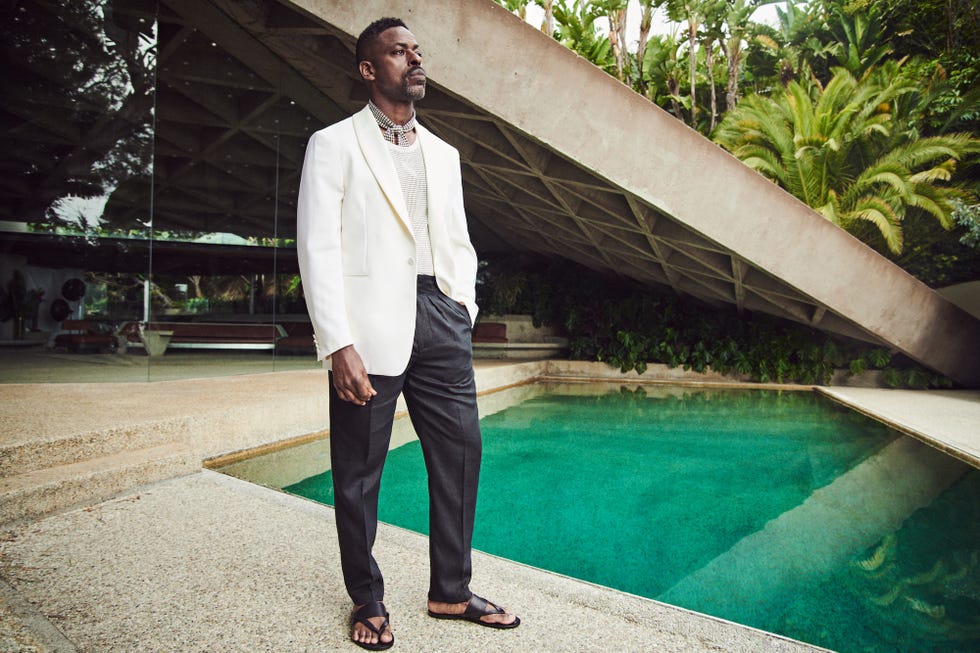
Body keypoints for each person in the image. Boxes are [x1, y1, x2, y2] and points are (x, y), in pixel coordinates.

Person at [296, 17, 521, 651]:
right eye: (400, 52)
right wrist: (337, 342)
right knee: (358, 470)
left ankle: (451, 589)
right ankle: (367, 598)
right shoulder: (333, 144)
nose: (414, 60)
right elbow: (316, 247)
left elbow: (457, 241)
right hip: (368, 325)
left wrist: (462, 308)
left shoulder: (444, 155)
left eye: (417, 51)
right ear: (369, 70)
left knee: (460, 454)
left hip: (440, 316)